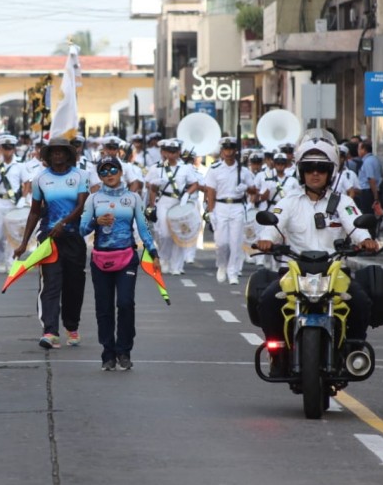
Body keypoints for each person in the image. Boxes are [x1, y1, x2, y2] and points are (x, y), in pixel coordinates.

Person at [255, 133, 378, 376]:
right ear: (301, 171)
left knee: (361, 302)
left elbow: (355, 223)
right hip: (294, 270)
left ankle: (354, 351)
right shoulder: (289, 201)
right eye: (309, 168)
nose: (315, 173)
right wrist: (266, 240)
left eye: (321, 168)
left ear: (330, 172)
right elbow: (273, 224)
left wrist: (365, 240)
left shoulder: (342, 201)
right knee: (268, 300)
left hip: (334, 271)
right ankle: (277, 354)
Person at [80, 156, 159, 370]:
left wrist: (153, 252)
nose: (109, 174)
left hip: (126, 259)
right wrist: (96, 222)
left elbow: (143, 229)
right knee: (103, 308)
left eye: (112, 169)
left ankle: (124, 351)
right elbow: (82, 229)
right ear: (99, 176)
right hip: (100, 259)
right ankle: (108, 353)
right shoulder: (93, 199)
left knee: (125, 303)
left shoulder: (133, 198)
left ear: (121, 171)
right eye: (103, 171)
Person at [13, 138, 89, 350]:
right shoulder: (40, 179)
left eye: (61, 152)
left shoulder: (80, 176)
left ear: (68, 155)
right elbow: (35, 211)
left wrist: (64, 223)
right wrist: (23, 244)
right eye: (53, 152)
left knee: (74, 286)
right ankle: (50, 331)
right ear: (47, 156)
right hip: (49, 240)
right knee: (50, 285)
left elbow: (82, 205)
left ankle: (72, 327)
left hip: (74, 238)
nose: (57, 156)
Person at [204, 137, 254, 285]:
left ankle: (233, 272)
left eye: (231, 149)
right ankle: (222, 265)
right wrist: (211, 212)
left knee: (235, 242)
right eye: (226, 149)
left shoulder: (243, 171)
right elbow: (211, 192)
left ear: (235, 151)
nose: (228, 152)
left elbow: (253, 189)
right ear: (222, 151)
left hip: (237, 206)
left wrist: (245, 187)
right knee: (221, 243)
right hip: (221, 206)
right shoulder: (215, 170)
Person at [145, 138, 199, 275]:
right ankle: (164, 258)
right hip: (164, 201)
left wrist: (187, 194)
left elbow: (195, 183)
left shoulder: (185, 168)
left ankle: (177, 266)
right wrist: (154, 187)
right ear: (163, 152)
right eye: (168, 151)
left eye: (174, 151)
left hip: (179, 202)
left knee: (179, 233)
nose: (171, 154)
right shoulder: (157, 168)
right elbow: (149, 187)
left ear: (179, 152)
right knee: (165, 234)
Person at [0, 134, 29, 273]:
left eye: (10, 148)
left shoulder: (20, 165)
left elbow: (27, 183)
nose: (8, 151)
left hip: (13, 202)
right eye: (5, 148)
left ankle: (10, 261)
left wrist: (23, 198)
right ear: (0, 148)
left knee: (13, 233)